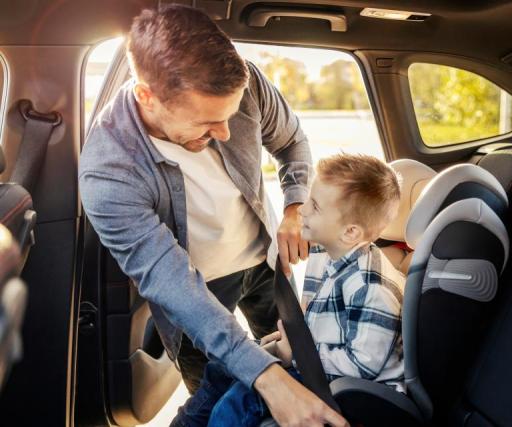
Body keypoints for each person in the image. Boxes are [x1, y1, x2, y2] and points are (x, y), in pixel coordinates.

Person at [78, 5, 345, 426]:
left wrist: (295, 207)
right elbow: (174, 286)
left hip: (263, 263)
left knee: (301, 363)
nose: (225, 133)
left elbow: (292, 142)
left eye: (230, 116)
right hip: (197, 291)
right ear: (147, 95)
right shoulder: (109, 172)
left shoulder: (248, 83)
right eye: (207, 122)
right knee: (220, 408)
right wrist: (267, 378)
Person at [171, 153, 405, 427]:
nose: (302, 210)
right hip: (314, 359)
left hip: (347, 387)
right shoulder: (326, 251)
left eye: (315, 206)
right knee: (223, 366)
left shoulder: (370, 287)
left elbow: (363, 365)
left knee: (241, 398)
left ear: (350, 233)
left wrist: (294, 353)